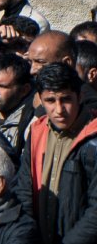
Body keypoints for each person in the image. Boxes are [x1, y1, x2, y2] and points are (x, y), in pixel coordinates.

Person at [22, 64, 97, 244]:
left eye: (66, 99)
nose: (59, 110)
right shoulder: (37, 131)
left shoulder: (93, 138)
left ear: (80, 97)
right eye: (50, 100)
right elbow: (24, 189)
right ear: (40, 99)